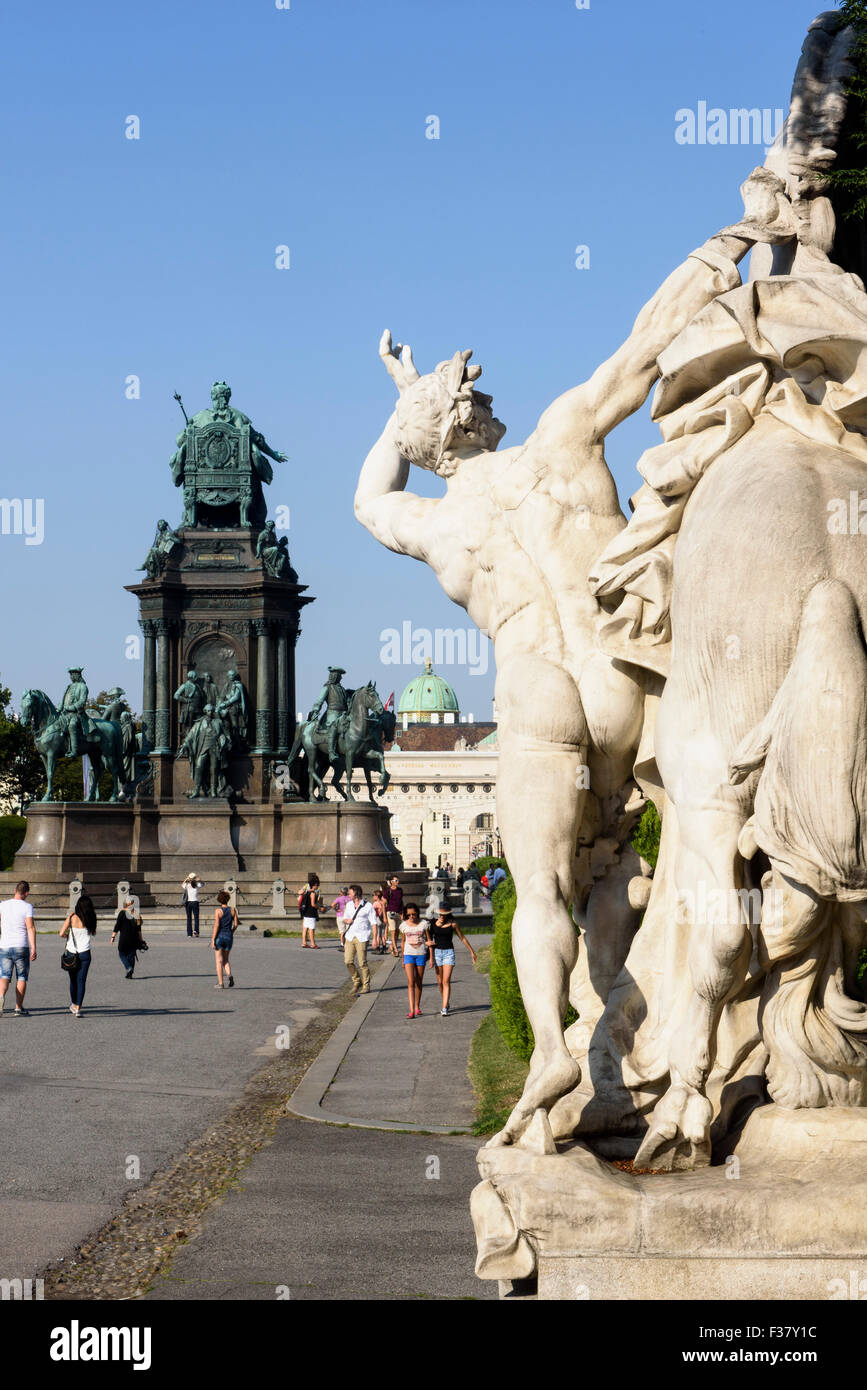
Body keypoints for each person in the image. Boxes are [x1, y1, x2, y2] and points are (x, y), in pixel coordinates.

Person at [428, 909, 476, 1015]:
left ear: (448, 914)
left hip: (449, 953)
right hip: (437, 953)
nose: (442, 916)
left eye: (444, 914)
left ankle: (444, 1007)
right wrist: (426, 943)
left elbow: (462, 938)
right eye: (441, 914)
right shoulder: (433, 923)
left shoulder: (453, 924)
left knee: (446, 981)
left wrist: (472, 951)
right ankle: (446, 1001)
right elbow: (427, 936)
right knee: (440, 982)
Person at [0, 880, 37, 1017]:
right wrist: (33, 947)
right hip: (21, 945)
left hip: (5, 945)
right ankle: (18, 1007)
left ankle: (1, 996)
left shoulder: (2, 905)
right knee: (21, 976)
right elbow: (30, 928)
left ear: (15, 890)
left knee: (4, 975)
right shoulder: (27, 907)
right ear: (26, 893)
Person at [60, 894, 97, 1018]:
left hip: (72, 952)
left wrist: (68, 936)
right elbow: (92, 932)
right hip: (85, 953)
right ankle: (78, 1008)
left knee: (73, 980)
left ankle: (73, 1003)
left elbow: (61, 933)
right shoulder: (91, 918)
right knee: (82, 980)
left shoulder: (72, 918)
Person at [342, 884, 377, 998]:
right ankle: (357, 981)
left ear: (356, 894)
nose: (348, 895)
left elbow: (374, 923)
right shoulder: (349, 905)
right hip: (350, 936)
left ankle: (366, 985)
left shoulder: (368, 906)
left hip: (362, 936)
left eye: (350, 893)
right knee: (348, 961)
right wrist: (347, 920)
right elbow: (344, 918)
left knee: (362, 962)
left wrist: (375, 938)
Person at [400, 902, 428, 1019]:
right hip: (408, 955)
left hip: (421, 954)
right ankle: (411, 1010)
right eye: (409, 915)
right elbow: (402, 942)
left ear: (417, 913)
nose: (412, 916)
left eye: (414, 914)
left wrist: (430, 956)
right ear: (406, 915)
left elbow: (428, 940)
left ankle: (417, 1006)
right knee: (410, 982)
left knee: (418, 981)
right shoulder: (403, 925)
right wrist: (402, 958)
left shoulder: (424, 924)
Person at [110, 899, 144, 978]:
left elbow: (117, 926)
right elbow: (139, 930)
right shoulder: (136, 914)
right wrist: (141, 940)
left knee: (121, 953)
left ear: (125, 904)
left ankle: (128, 968)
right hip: (134, 939)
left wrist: (113, 936)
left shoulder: (122, 913)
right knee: (131, 955)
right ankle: (130, 974)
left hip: (124, 938)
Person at [211, 890, 238, 989]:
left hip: (219, 937)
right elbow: (236, 924)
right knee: (226, 959)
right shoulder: (233, 910)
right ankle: (229, 975)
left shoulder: (218, 911)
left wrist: (213, 939)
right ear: (228, 899)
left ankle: (220, 983)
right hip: (229, 936)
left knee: (219, 961)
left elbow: (216, 926)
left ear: (219, 900)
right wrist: (232, 931)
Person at [298, 873, 321, 949]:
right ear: (314, 885)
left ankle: (304, 943)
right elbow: (313, 904)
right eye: (317, 885)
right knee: (311, 930)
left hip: (305, 913)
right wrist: (320, 908)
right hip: (311, 913)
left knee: (305, 929)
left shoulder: (306, 892)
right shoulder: (313, 893)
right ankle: (313, 944)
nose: (317, 887)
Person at [385, 875, 403, 957]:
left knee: (397, 931)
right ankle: (395, 949)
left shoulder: (400, 890)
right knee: (393, 931)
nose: (397, 882)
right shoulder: (388, 891)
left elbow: (401, 901)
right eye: (396, 880)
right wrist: (385, 916)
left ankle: (392, 946)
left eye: (398, 880)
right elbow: (383, 903)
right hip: (390, 912)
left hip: (399, 912)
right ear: (391, 881)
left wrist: (402, 912)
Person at [182, 872, 202, 937]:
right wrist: (199, 879)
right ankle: (196, 931)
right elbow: (203, 884)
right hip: (195, 902)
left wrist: (186, 879)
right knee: (196, 918)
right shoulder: (197, 884)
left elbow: (182, 885)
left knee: (189, 918)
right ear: (195, 878)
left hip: (188, 903)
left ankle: (189, 934)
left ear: (189, 878)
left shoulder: (187, 885)